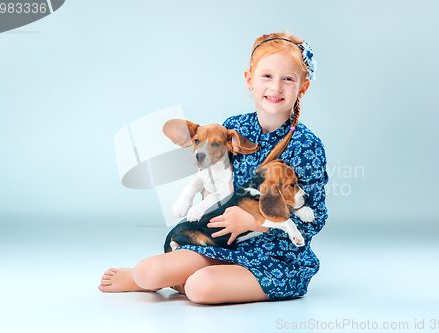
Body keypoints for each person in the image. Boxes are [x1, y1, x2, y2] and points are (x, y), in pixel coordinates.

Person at [99, 32, 328, 304]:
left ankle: (194, 281)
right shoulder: (235, 127)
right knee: (147, 272)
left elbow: (317, 217)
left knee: (200, 289)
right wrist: (209, 199)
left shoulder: (307, 145)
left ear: (302, 87)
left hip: (276, 254)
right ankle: (161, 279)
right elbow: (211, 175)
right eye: (267, 76)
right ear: (249, 79)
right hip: (224, 243)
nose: (276, 87)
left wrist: (254, 222)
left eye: (287, 79)